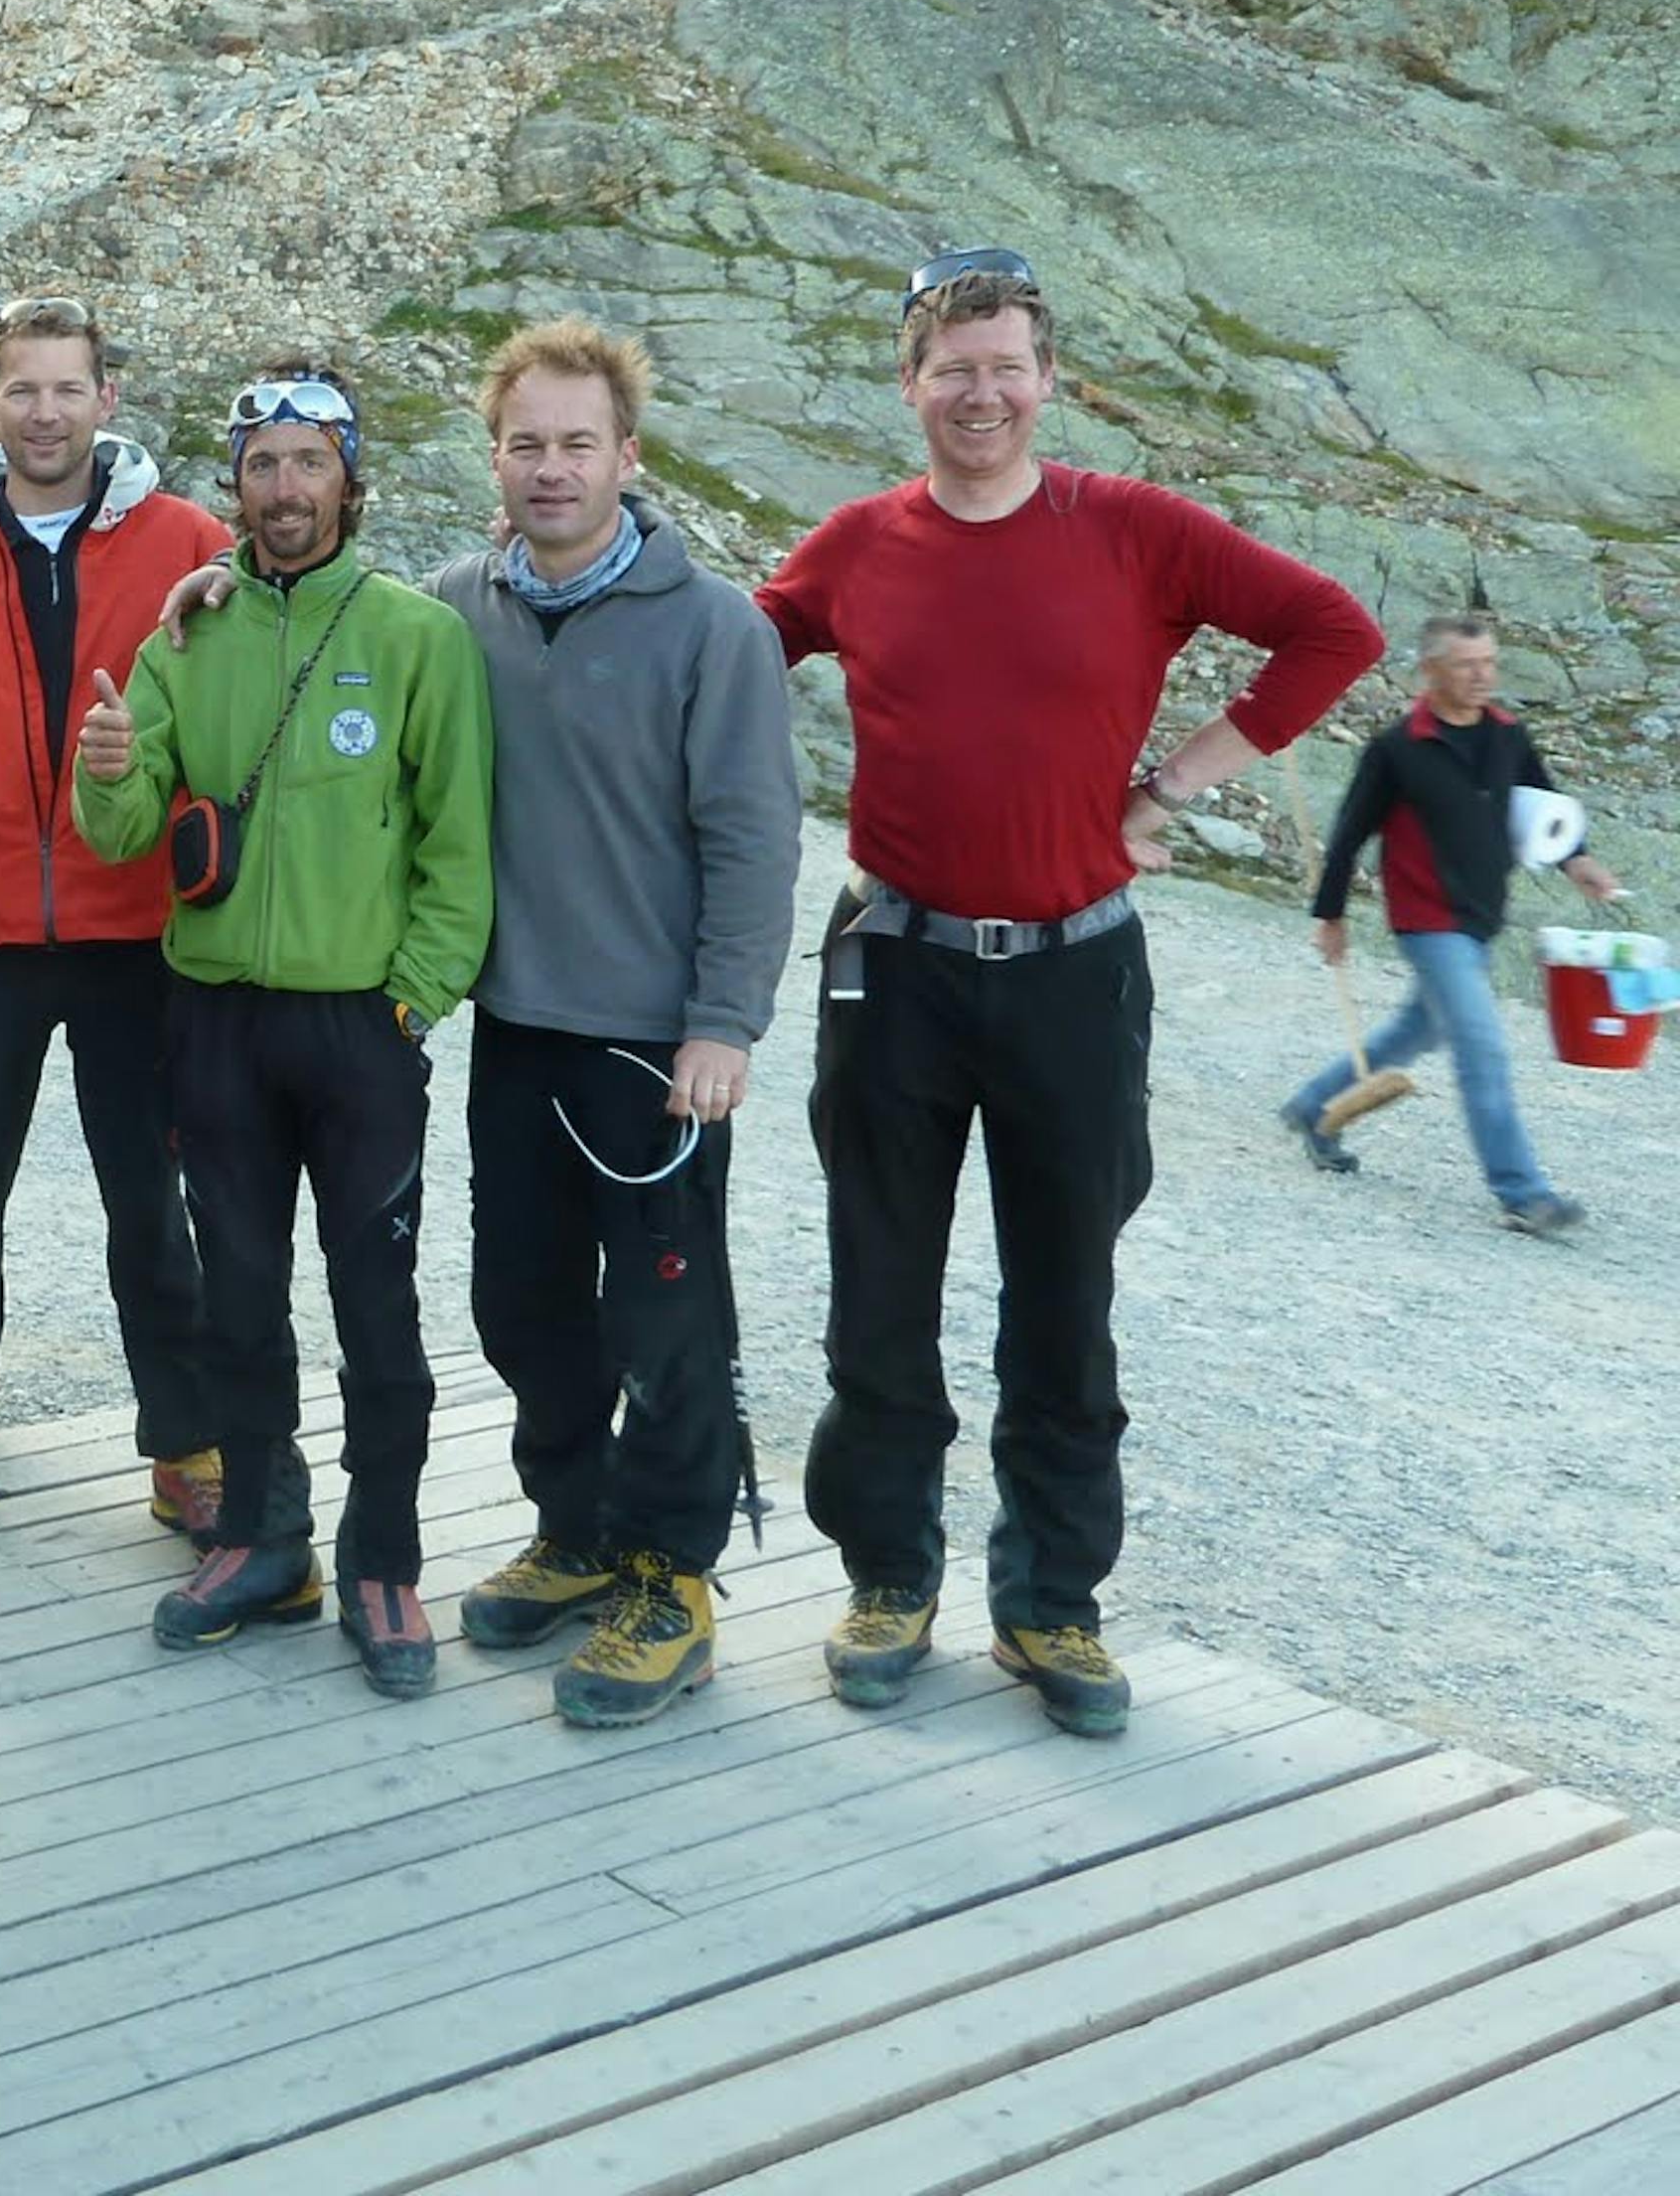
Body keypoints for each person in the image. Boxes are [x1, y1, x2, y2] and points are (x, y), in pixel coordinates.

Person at [757, 245, 1379, 1737]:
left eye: (1005, 364)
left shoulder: (1136, 532)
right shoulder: (856, 547)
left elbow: (1333, 633)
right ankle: (888, 1577)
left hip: (1073, 976)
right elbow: (714, 659)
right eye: (950, 366)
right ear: (910, 385)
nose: (980, 391)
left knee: (1066, 1302)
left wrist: (1172, 785)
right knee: (879, 1297)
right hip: (892, 966)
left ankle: (1050, 1604)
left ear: (1047, 379)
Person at [75, 364, 490, 1693]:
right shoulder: (185, 635)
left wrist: (412, 997)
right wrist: (107, 772)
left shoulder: (418, 637)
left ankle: (384, 1562)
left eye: (311, 462)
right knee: (238, 1294)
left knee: (378, 1306)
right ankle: (266, 1537)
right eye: (263, 464)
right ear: (236, 486)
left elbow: (460, 849)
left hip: (361, 1026)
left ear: (350, 480)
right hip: (213, 1020)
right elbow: (130, 834)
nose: (286, 488)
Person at [432, 323, 802, 1726]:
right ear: (496, 454)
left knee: (667, 1323)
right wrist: (214, 586)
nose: (551, 466)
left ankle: (674, 1577)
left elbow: (754, 841)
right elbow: (335, 634)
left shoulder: (714, 629)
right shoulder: (457, 604)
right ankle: (575, 1532)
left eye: (577, 441)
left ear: (627, 456)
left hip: (657, 1051)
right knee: (522, 1308)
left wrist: (725, 1024)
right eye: (526, 441)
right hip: (515, 1027)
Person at [0, 291, 227, 1542]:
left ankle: (189, 1444)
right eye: (22, 389)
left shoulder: (190, 540)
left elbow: (231, 724)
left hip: (138, 928)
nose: (45, 411)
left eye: (69, 387)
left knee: (150, 1192)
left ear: (107, 401)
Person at [1282, 609, 1621, 1231]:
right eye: (1466, 665)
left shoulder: (1508, 734)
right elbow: (1350, 834)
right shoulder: (1396, 749)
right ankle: (1522, 1191)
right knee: (1482, 1047)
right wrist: (1330, 915)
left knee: (1421, 1030)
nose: (1481, 676)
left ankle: (1312, 1106)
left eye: (1489, 662)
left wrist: (1581, 864)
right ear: (1430, 670)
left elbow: (1547, 809)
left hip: (1481, 916)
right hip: (1427, 920)